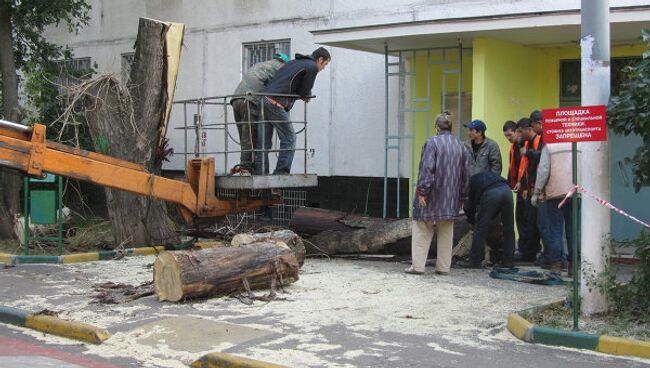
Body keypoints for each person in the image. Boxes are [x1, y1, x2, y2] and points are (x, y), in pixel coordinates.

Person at [405, 113, 469, 275]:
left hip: (432, 195)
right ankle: (443, 267)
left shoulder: (432, 143)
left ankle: (418, 266)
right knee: (446, 232)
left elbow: (427, 170)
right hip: (451, 197)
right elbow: (465, 174)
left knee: (422, 228)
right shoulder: (461, 146)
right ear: (451, 128)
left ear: (436, 128)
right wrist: (463, 196)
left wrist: (422, 192)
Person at [257, 47, 331, 174]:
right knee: (289, 138)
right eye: (325, 64)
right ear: (320, 59)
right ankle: (281, 172)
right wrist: (306, 95)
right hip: (276, 103)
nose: (323, 68)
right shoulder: (312, 66)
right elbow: (304, 90)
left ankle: (260, 172)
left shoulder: (293, 63)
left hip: (264, 99)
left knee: (264, 141)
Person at [230, 52, 289, 175]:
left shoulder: (262, 65)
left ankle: (248, 166)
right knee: (252, 135)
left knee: (244, 135)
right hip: (249, 100)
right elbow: (282, 85)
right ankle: (245, 168)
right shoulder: (280, 68)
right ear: (284, 63)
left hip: (236, 99)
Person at [532, 142, 578, 274]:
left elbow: (543, 171)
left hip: (555, 193)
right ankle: (573, 267)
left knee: (555, 231)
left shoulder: (550, 147)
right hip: (576, 192)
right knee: (574, 231)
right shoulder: (580, 145)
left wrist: (537, 192)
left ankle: (556, 266)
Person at [456, 171, 515, 268]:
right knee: (509, 228)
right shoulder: (483, 176)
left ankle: (474, 261)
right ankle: (508, 261)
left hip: (491, 193)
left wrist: (472, 222)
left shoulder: (469, 183)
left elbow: (468, 207)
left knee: (480, 228)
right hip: (507, 191)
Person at [515, 117, 544, 262]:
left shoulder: (539, 142)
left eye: (521, 131)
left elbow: (538, 166)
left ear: (529, 129)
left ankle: (533, 253)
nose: (519, 135)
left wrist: (534, 188)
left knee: (536, 224)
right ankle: (528, 252)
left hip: (537, 189)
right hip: (530, 187)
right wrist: (522, 184)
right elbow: (525, 168)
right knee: (528, 221)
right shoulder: (527, 143)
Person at [503, 120, 529, 260]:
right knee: (520, 218)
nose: (508, 138)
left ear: (517, 132)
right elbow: (512, 167)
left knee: (527, 220)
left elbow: (527, 168)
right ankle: (523, 249)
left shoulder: (526, 146)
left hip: (527, 188)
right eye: (506, 136)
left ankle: (527, 251)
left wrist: (525, 186)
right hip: (519, 188)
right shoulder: (514, 148)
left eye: (510, 135)